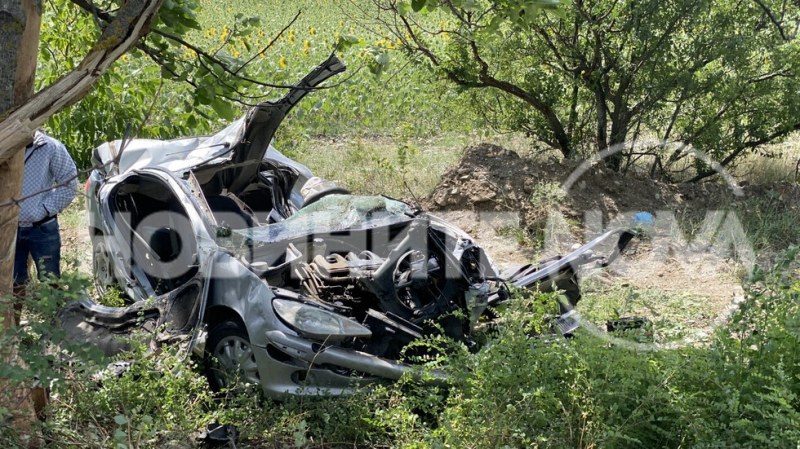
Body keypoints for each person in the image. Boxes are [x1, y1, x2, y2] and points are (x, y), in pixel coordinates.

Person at [13, 129, 78, 316]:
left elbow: (70, 183)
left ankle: (57, 323)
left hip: (42, 227)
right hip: (9, 228)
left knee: (51, 280)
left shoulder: (49, 147)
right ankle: (13, 327)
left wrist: (43, 210)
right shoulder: (6, 145)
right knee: (13, 282)